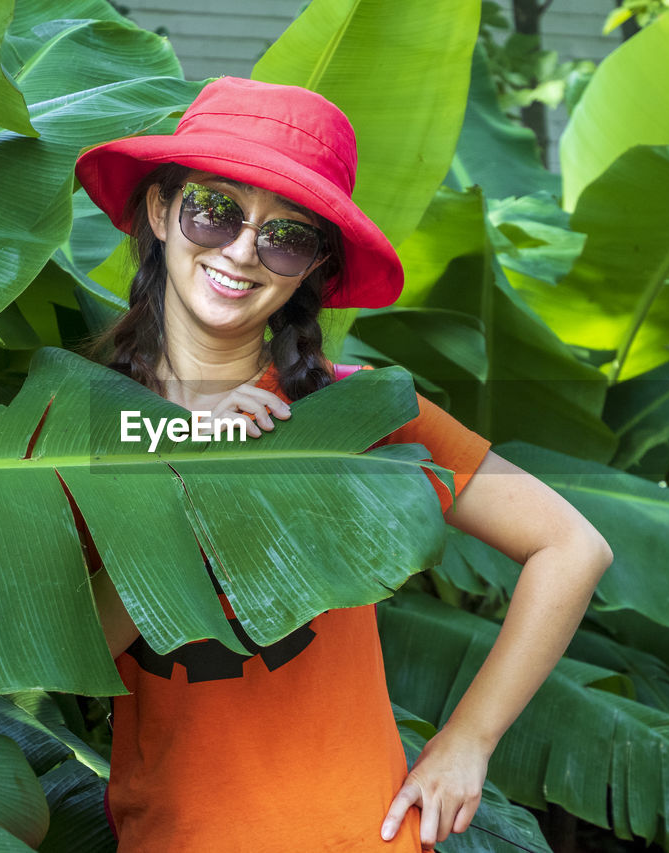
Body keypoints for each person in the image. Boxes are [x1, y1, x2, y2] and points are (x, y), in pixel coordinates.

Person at [74, 77, 612, 852]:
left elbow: (572, 546)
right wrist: (193, 473)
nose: (241, 252)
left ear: (312, 267)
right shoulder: (88, 425)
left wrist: (470, 739)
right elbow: (74, 652)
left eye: (284, 235)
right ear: (161, 211)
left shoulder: (358, 412)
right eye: (215, 211)